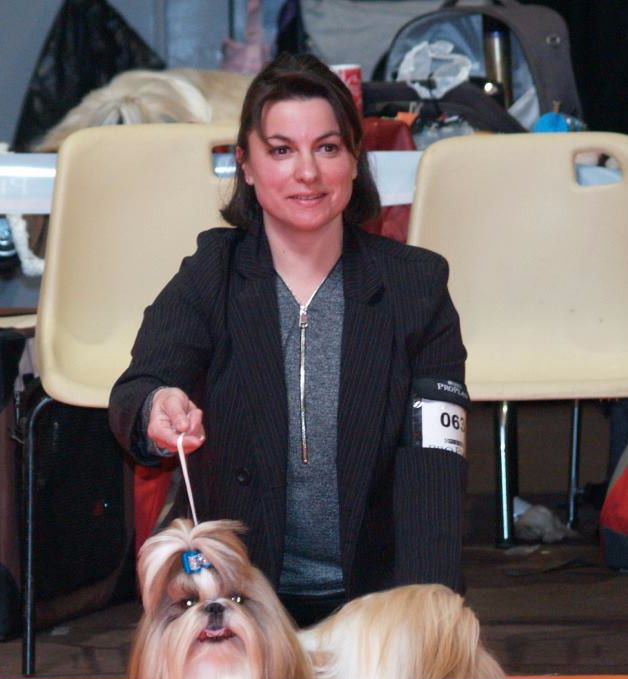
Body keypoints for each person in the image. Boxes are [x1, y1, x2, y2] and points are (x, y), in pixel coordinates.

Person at [108, 52, 469, 627]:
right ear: (246, 165)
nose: (308, 172)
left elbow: (435, 469)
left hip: (374, 610)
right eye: (281, 150)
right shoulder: (212, 271)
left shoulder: (416, 286)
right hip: (241, 606)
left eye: (327, 148)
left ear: (355, 160)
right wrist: (156, 407)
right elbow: (136, 390)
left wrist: (424, 624)